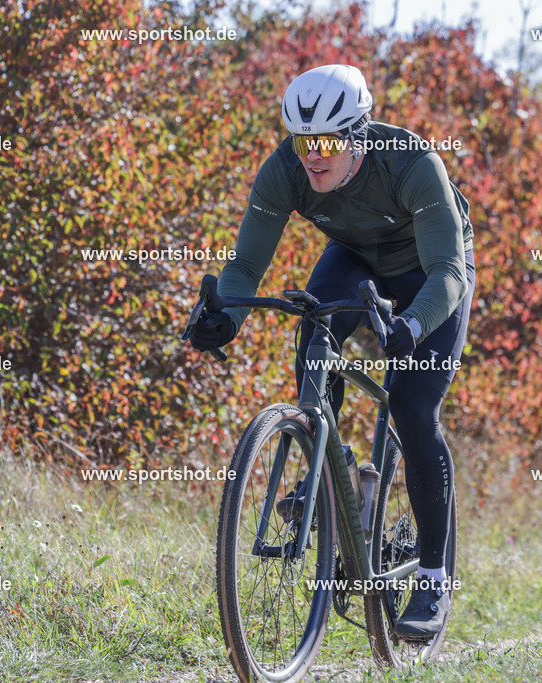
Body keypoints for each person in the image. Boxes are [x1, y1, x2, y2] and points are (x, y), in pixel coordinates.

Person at [189, 64, 474, 639]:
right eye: (301, 142)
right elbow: (245, 267)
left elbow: (447, 271)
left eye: (324, 143)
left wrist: (413, 324)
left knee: (413, 409)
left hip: (432, 273)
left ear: (358, 136)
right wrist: (227, 316)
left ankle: (435, 579)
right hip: (358, 259)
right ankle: (327, 461)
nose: (311, 157)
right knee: (314, 323)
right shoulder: (286, 170)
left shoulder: (415, 164)